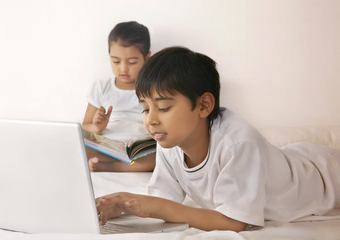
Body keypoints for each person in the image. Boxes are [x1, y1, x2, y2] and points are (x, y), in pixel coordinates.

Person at [95, 46, 340, 232]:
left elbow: (234, 222)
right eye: (146, 109)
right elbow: (162, 199)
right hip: (290, 158)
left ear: (203, 105)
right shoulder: (168, 141)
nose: (151, 120)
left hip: (325, 175)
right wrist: (121, 204)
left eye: (164, 107)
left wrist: (151, 206)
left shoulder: (238, 143)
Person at [82, 21, 155, 172]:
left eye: (132, 62)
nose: (123, 69)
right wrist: (97, 127)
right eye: (115, 61)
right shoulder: (101, 87)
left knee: (165, 154)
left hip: (139, 148)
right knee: (78, 144)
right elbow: (85, 127)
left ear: (147, 58)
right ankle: (109, 163)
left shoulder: (154, 89)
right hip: (107, 146)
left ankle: (110, 167)